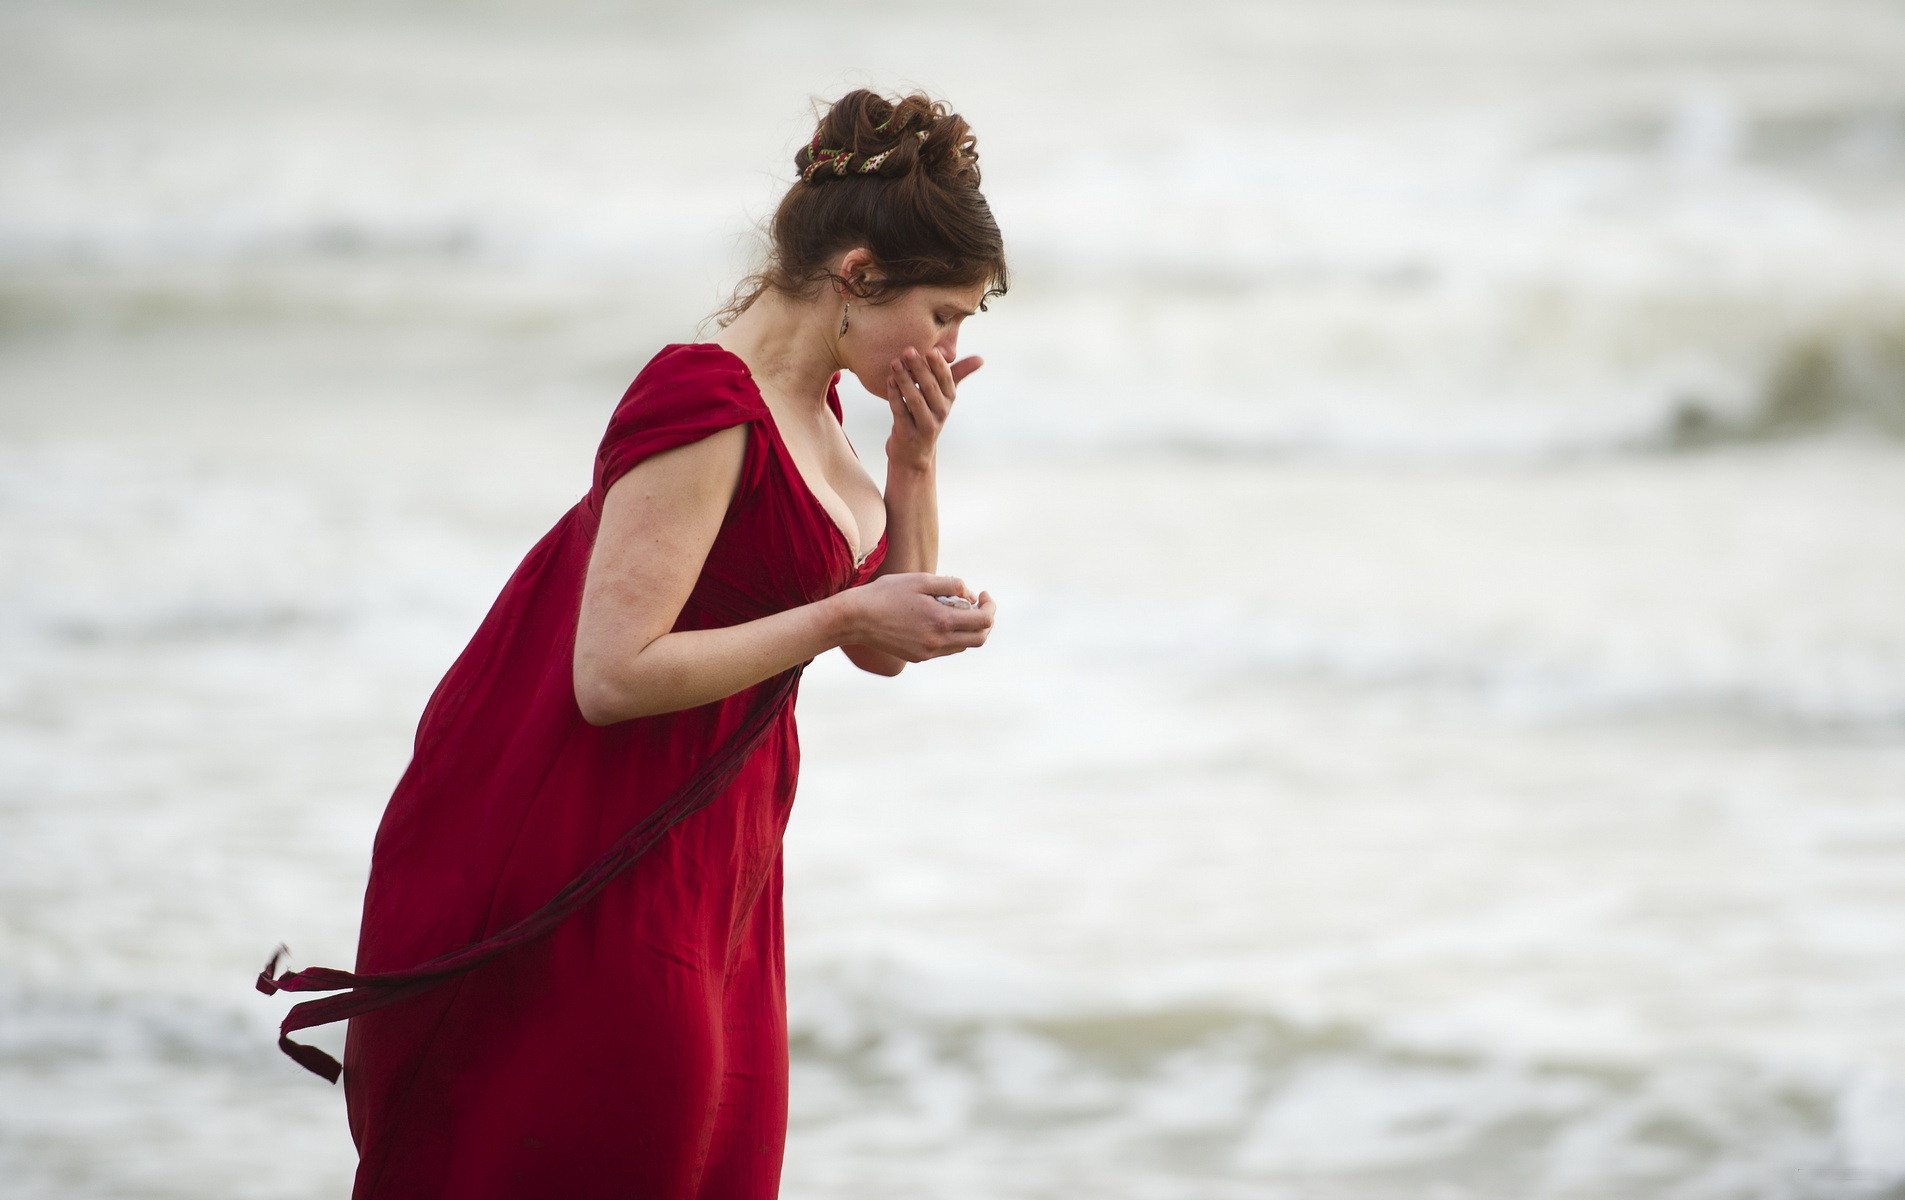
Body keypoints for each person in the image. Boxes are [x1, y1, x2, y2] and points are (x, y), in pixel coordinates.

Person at [256, 88, 1008, 1198]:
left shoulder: (828, 423)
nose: (947, 344)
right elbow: (611, 675)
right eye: (943, 313)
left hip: (730, 863)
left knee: (722, 1163)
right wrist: (841, 616)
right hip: (617, 852)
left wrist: (915, 459)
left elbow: (890, 643)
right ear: (857, 275)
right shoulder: (705, 402)